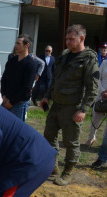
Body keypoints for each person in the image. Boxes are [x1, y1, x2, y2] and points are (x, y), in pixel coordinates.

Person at [40, 24, 99, 186]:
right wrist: (46, 97)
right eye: (67, 38)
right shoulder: (64, 55)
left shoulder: (89, 58)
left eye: (71, 39)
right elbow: (55, 80)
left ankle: (68, 172)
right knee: (49, 136)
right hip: (56, 105)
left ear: (81, 38)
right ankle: (53, 167)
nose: (67, 42)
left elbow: (92, 87)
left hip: (73, 107)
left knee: (71, 141)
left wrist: (83, 110)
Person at [0, 35, 36, 121]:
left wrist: (12, 102)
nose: (16, 46)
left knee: (15, 131)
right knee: (1, 127)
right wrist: (3, 95)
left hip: (19, 104)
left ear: (27, 45)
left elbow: (27, 87)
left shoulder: (30, 64)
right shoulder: (12, 61)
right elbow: (4, 78)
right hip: (5, 101)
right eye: (16, 43)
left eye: (18, 43)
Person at [85, 42, 107, 147]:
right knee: (95, 117)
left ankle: (104, 142)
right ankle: (91, 137)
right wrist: (102, 91)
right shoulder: (104, 63)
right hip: (101, 95)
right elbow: (98, 78)